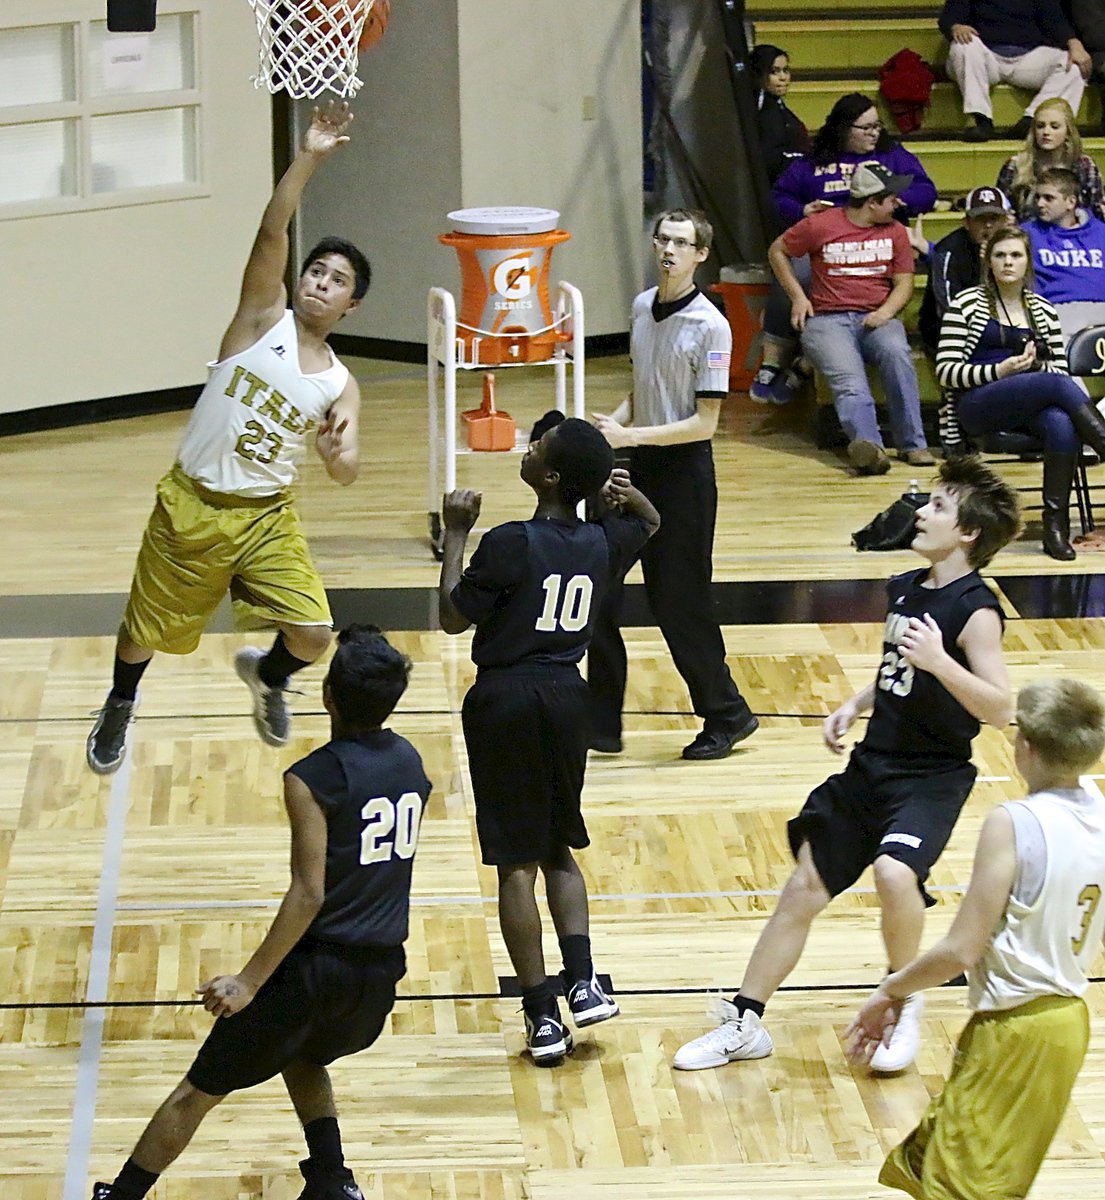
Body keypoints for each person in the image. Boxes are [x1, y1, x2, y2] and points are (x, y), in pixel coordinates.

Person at [672, 455, 1022, 1077]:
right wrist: (857, 702)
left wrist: (943, 663)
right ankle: (745, 1022)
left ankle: (900, 1000)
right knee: (803, 888)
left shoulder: (977, 610)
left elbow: (1001, 709)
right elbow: (899, 668)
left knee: (894, 873)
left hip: (932, 776)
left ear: (968, 532)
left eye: (938, 506)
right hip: (872, 764)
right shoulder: (909, 589)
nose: (921, 512)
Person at [90, 626, 433, 1200]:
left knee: (195, 1091)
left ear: (327, 696)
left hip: (315, 970)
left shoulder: (313, 778)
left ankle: (122, 1196)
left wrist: (247, 981)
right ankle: (331, 1179)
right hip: (378, 977)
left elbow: (308, 893)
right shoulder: (410, 760)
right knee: (304, 1056)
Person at [86, 102, 366, 776]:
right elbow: (273, 228)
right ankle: (120, 703)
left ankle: (268, 676)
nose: (319, 283)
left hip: (265, 517)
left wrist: (337, 458)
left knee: (314, 635)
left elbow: (349, 467)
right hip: (193, 502)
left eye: (336, 282)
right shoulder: (259, 317)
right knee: (140, 634)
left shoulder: (340, 382)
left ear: (351, 305)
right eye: (316, 272)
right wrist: (310, 157)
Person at [437, 417, 659, 1064]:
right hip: (568, 696)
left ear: (552, 477)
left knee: (516, 864)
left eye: (537, 449)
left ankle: (540, 1016)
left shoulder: (510, 542)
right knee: (560, 845)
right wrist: (624, 492)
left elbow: (453, 616)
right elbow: (648, 523)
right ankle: (584, 983)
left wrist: (454, 533)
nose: (527, 449)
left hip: (505, 698)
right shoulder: (599, 543)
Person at [846, 677, 1105, 1200]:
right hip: (1068, 1024)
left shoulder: (1016, 821)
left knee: (964, 1190)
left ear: (1025, 747)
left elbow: (960, 950)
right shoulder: (1099, 810)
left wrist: (892, 989)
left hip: (1016, 1028)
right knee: (924, 1166)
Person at [588, 209, 759, 761]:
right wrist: (609, 431)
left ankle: (727, 715)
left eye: (682, 243)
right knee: (597, 591)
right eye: (663, 239)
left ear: (700, 255)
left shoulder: (711, 324)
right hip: (634, 467)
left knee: (679, 604)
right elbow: (644, 387)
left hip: (683, 477)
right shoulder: (642, 306)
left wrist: (630, 433)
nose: (669, 250)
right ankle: (601, 723)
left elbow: (704, 423)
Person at [753, 93, 936, 404]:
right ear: (842, 128)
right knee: (793, 266)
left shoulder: (892, 156)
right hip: (825, 246)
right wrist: (802, 211)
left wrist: (898, 200)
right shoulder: (814, 161)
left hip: (877, 245)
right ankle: (775, 356)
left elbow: (926, 190)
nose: (874, 134)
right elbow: (780, 196)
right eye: (865, 128)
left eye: (877, 126)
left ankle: (808, 362)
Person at [936, 226, 1105, 559]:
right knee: (1057, 386)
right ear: (989, 261)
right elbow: (946, 371)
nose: (1008, 263)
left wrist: (1033, 368)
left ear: (1028, 262)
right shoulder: (966, 304)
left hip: (1027, 402)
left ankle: (1055, 529)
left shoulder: (1042, 310)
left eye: (1016, 255)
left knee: (1060, 422)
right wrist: (1001, 370)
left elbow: (1056, 367)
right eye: (1000, 255)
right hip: (978, 404)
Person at [769, 162, 935, 475]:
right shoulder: (821, 225)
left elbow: (904, 283)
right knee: (850, 382)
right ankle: (869, 449)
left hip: (877, 315)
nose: (898, 203)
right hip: (827, 319)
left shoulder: (897, 232)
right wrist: (798, 297)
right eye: (891, 199)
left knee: (899, 356)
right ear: (872, 203)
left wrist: (885, 312)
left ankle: (914, 443)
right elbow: (778, 250)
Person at [939, 0, 1090, 142]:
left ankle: (1033, 122)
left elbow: (1054, 20)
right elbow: (948, 19)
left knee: (1074, 66)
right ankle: (982, 119)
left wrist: (1074, 43)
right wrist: (956, 27)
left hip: (1028, 57)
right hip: (985, 57)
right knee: (963, 47)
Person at [919, 185, 1014, 357]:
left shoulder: (1015, 249)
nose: (988, 225)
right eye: (980, 219)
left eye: (994, 218)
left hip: (999, 325)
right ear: (967, 222)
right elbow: (948, 308)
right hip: (949, 329)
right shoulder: (948, 251)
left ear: (1006, 221)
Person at [1024, 164, 1105, 341]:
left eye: (1048, 198)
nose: (1040, 203)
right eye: (1038, 197)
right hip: (1057, 312)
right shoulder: (1026, 234)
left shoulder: (1101, 233)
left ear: (1070, 202)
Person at [996, 97, 1105, 222]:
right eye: (1040, 126)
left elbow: (1096, 213)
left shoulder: (1084, 165)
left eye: (1054, 126)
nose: (1046, 132)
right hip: (1026, 236)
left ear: (1068, 132)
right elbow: (1003, 213)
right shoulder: (1015, 165)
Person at [749, 43, 809, 185]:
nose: (783, 77)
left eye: (785, 70)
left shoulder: (778, 107)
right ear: (759, 74)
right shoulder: (764, 112)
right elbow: (770, 159)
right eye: (774, 72)